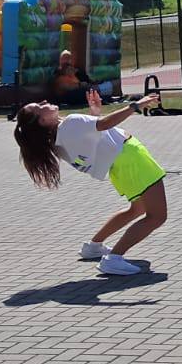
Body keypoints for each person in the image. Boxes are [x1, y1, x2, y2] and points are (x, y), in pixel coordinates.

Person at [13, 89, 167, 276]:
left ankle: (93, 246)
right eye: (40, 107)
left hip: (120, 166)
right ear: (43, 121)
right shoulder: (70, 122)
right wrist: (136, 105)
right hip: (131, 160)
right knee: (157, 216)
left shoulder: (58, 138)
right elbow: (105, 124)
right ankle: (114, 258)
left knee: (137, 209)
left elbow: (92, 137)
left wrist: (94, 113)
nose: (44, 101)